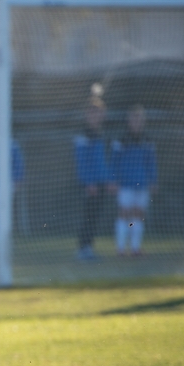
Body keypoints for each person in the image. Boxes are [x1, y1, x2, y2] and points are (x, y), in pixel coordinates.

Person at [111, 104, 157, 257]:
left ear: (143, 121)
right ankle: (121, 248)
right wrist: (113, 180)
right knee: (124, 214)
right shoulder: (121, 140)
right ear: (128, 121)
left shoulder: (147, 140)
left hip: (142, 184)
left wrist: (153, 180)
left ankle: (135, 248)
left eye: (139, 119)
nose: (136, 122)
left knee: (138, 215)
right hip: (125, 184)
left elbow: (151, 163)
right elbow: (114, 162)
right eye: (133, 119)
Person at [73, 95, 114, 261]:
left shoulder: (101, 134)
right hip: (90, 185)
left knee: (95, 215)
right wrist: (88, 182)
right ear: (87, 115)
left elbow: (102, 162)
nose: (96, 117)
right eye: (93, 113)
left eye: (99, 113)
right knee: (88, 215)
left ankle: (89, 247)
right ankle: (83, 248)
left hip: (100, 183)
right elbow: (81, 162)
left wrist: (108, 180)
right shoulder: (84, 135)